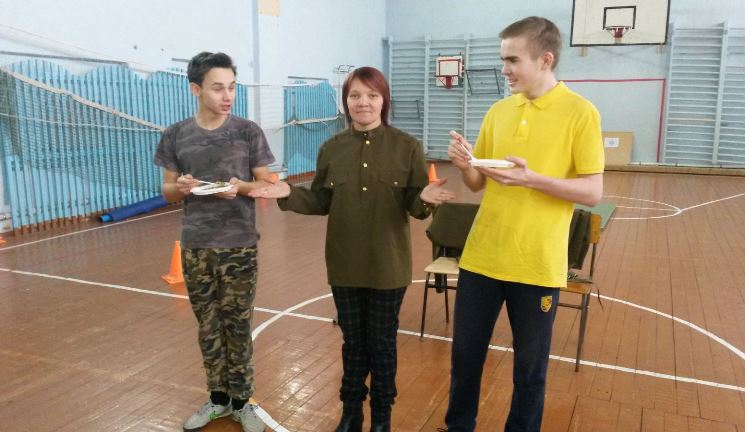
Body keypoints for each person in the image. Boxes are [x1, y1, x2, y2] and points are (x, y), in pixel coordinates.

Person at [249, 66, 455, 432]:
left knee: (382, 343)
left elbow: (415, 206)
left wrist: (423, 197)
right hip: (344, 263)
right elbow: (321, 200)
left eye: (372, 95)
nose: (363, 103)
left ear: (383, 100)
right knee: (353, 341)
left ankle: (382, 417)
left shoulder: (407, 147)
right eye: (355, 95)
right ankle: (351, 413)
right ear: (346, 101)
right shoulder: (332, 149)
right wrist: (288, 193)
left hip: (388, 265)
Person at [444, 17, 605, 432]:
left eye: (513, 60)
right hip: (482, 258)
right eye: (504, 60)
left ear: (545, 59)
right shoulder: (499, 111)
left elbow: (592, 192)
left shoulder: (581, 113)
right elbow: (477, 183)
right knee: (465, 359)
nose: (504, 69)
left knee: (530, 371)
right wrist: (465, 164)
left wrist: (532, 179)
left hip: (536, 265)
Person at [153, 51, 275, 432]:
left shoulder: (247, 131)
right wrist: (182, 187)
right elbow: (167, 192)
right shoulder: (176, 135)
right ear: (196, 89)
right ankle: (218, 398)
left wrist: (240, 188)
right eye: (218, 88)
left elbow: (267, 184)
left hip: (239, 246)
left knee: (237, 326)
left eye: (232, 87)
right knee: (208, 326)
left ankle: (243, 402)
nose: (228, 96)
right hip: (196, 247)